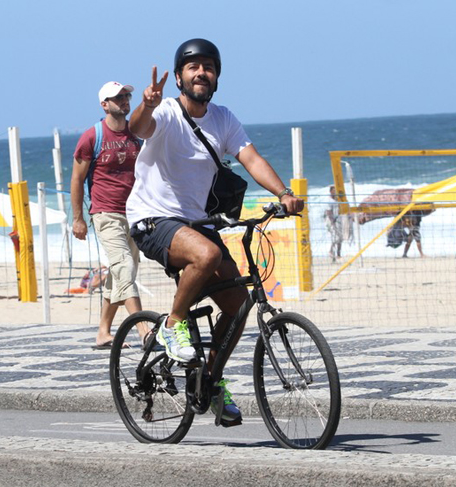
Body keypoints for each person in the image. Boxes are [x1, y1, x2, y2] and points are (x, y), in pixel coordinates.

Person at [126, 39, 304, 425]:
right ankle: (174, 324)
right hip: (152, 219)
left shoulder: (223, 118)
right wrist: (148, 104)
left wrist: (284, 194)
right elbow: (140, 127)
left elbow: (251, 158)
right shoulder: (167, 112)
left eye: (208, 66)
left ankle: (210, 379)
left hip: (198, 222)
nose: (201, 72)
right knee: (205, 256)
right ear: (178, 78)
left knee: (240, 305)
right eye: (192, 67)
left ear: (217, 75)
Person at [71, 80, 143, 350]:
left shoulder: (137, 133)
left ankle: (103, 331)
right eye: (117, 97)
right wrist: (78, 219)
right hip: (105, 212)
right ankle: (142, 328)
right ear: (104, 105)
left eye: (126, 96)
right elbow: (77, 179)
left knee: (121, 273)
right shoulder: (93, 136)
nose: (124, 100)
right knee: (124, 266)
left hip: (136, 213)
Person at [324, 185, 343, 263]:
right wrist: (333, 222)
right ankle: (332, 252)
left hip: (338, 220)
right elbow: (328, 212)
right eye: (334, 190)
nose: (335, 192)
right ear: (331, 191)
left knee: (340, 238)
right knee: (335, 238)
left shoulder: (338, 199)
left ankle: (338, 254)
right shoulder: (329, 200)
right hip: (331, 221)